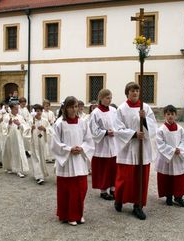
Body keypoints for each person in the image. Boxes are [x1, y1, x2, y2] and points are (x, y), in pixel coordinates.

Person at [114, 82, 158, 220]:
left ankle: (138, 205)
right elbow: (117, 129)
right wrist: (133, 134)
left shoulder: (145, 107)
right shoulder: (121, 109)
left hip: (142, 149)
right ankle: (119, 199)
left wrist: (144, 118)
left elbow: (154, 126)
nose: (135, 93)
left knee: (141, 178)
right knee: (125, 178)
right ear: (127, 92)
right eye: (132, 91)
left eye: (137, 91)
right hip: (127, 149)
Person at [51, 96, 94, 226]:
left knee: (81, 188)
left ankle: (78, 213)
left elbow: (89, 140)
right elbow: (55, 143)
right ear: (65, 108)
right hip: (67, 161)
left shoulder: (82, 122)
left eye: (75, 107)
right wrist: (69, 149)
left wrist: (82, 148)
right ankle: (68, 215)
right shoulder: (59, 123)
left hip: (79, 159)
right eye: (71, 107)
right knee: (68, 190)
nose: (74, 110)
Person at [155, 105, 184, 207]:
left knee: (179, 178)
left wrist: (180, 149)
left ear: (176, 115)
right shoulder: (161, 129)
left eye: (172, 114)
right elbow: (159, 143)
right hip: (167, 158)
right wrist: (171, 150)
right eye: (168, 114)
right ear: (164, 115)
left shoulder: (180, 129)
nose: (170, 116)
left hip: (178, 157)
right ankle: (168, 196)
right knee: (166, 178)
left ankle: (178, 197)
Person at [89, 89, 117, 200]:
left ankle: (113, 189)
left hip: (113, 143)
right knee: (104, 168)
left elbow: (118, 123)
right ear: (101, 98)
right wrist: (105, 132)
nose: (109, 100)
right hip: (102, 145)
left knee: (113, 168)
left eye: (110, 98)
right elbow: (93, 130)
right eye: (107, 98)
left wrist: (116, 130)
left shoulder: (114, 110)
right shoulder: (95, 113)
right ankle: (103, 190)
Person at [2, 102, 30, 177]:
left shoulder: (20, 117)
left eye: (17, 109)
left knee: (18, 152)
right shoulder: (7, 117)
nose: (17, 110)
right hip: (10, 138)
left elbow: (25, 127)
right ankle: (10, 167)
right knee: (9, 153)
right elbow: (4, 129)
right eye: (15, 109)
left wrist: (19, 124)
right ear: (11, 109)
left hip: (18, 138)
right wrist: (9, 124)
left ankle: (18, 170)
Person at [28, 104, 52, 184]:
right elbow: (26, 131)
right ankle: (39, 177)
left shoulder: (44, 121)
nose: (38, 113)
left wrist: (44, 129)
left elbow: (50, 130)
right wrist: (31, 129)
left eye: (40, 111)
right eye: (37, 111)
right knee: (36, 158)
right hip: (34, 142)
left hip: (41, 141)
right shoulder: (31, 120)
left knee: (41, 158)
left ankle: (41, 173)